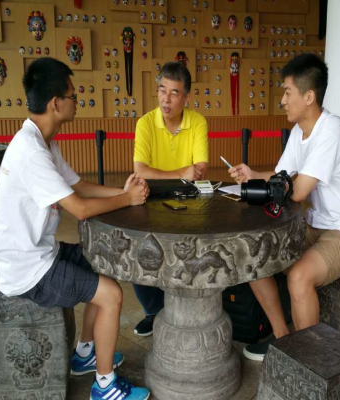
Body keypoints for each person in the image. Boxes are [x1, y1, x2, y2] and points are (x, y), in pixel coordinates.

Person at [0, 57, 150, 400]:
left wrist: (124, 192)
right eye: (73, 96)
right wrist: (127, 200)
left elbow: (78, 185)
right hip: (27, 269)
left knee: (101, 261)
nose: (77, 101)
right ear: (55, 103)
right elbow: (79, 208)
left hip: (39, 254)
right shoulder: (31, 151)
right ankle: (104, 386)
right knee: (111, 294)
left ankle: (85, 353)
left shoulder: (44, 142)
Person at [229, 54, 340, 361]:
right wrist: (252, 174)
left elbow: (296, 191)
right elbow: (281, 176)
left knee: (298, 276)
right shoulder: (300, 131)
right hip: (318, 224)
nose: (283, 100)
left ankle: (308, 363)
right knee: (254, 254)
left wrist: (272, 184)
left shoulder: (332, 129)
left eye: (287, 92)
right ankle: (283, 339)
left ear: (309, 96)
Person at [130, 61, 209, 336]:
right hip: (150, 199)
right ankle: (153, 310)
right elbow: (141, 171)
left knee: (195, 248)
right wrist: (180, 173)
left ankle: (193, 306)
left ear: (186, 97)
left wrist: (179, 175)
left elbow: (199, 171)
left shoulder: (197, 122)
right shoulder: (145, 124)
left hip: (189, 201)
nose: (166, 99)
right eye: (162, 90)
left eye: (174, 93)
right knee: (138, 248)